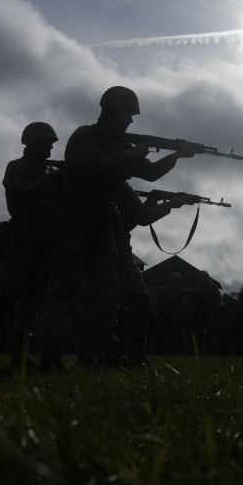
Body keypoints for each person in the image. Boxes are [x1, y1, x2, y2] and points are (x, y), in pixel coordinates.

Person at [38, 86, 193, 370]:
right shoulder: (85, 136)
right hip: (75, 219)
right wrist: (132, 154)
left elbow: (149, 173)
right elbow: (95, 165)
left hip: (104, 223)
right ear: (111, 112)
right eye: (127, 115)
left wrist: (176, 156)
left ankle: (109, 356)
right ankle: (51, 358)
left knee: (107, 292)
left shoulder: (121, 145)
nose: (130, 121)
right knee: (66, 288)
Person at [0, 122, 62, 370]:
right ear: (33, 143)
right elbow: (22, 195)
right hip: (23, 243)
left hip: (44, 245)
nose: (50, 150)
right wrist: (52, 179)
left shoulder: (47, 173)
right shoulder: (16, 168)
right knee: (7, 300)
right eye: (46, 145)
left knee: (32, 303)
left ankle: (20, 358)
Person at [115, 184, 188, 364]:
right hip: (113, 247)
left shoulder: (109, 183)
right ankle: (134, 353)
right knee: (137, 297)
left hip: (103, 244)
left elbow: (129, 219)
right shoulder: (117, 183)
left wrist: (150, 203)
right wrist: (170, 204)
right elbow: (142, 218)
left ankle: (95, 353)